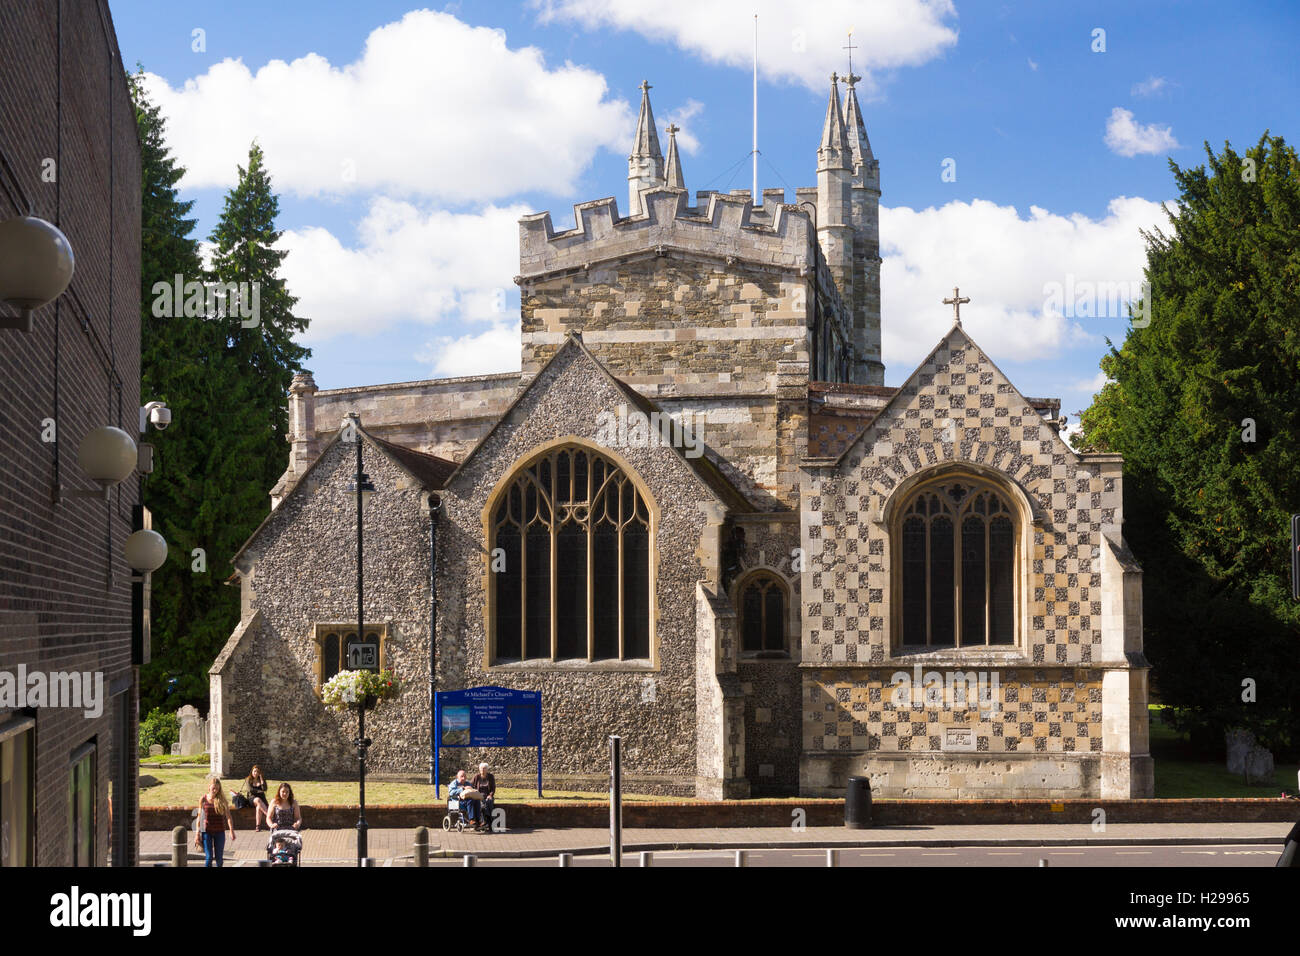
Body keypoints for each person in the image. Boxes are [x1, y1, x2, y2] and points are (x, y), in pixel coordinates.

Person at [194, 775, 237, 867]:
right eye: (213, 788)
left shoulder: (222, 800)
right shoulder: (203, 799)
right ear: (209, 787)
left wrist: (231, 831)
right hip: (206, 832)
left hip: (219, 831)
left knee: (219, 859)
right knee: (209, 857)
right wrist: (197, 833)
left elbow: (229, 817)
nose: (215, 790)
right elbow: (199, 817)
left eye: (217, 789)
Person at [469, 762, 497, 832]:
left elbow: (493, 788)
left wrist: (490, 795)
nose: (482, 770)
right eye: (481, 768)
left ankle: (488, 821)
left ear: (487, 769)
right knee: (482, 804)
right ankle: (486, 822)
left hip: (488, 796)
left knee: (488, 802)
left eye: (484, 768)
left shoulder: (490, 777)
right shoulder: (476, 777)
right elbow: (470, 785)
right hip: (478, 796)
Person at [245, 765, 269, 831]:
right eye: (254, 771)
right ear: (252, 772)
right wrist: (260, 791)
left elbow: (265, 789)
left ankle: (258, 826)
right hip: (252, 798)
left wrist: (261, 781)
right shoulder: (248, 779)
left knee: (259, 807)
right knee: (258, 800)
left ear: (259, 773)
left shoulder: (261, 780)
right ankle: (269, 817)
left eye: (257, 772)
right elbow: (251, 790)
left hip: (261, 799)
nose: (256, 773)